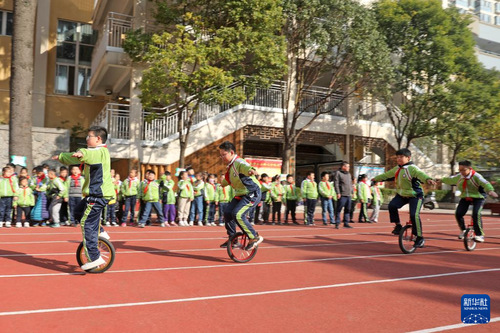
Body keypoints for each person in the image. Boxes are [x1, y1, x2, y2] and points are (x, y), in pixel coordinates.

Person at [53, 126, 115, 270]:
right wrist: (61, 157)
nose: (87, 139)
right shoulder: (93, 152)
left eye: (89, 137)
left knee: (87, 224)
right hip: (93, 194)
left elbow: (87, 154)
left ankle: (94, 257)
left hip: (98, 195)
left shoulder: (101, 151)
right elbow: (76, 157)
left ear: (98, 139)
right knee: (78, 212)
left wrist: (81, 152)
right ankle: (100, 231)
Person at [373, 148, 436, 248]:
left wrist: (428, 179)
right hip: (402, 195)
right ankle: (398, 226)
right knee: (392, 206)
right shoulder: (397, 168)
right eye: (397, 157)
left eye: (401, 157)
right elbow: (386, 175)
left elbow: (421, 174)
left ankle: (419, 237)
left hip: (415, 196)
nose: (399, 159)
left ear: (408, 158)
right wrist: (375, 179)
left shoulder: (412, 168)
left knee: (413, 215)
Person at [218, 141, 263, 250]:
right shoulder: (230, 167)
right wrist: (220, 183)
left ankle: (254, 237)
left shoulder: (239, 162)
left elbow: (246, 167)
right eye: (221, 155)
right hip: (241, 195)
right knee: (228, 212)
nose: (222, 157)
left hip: (252, 193)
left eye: (224, 155)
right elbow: (227, 181)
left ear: (231, 152)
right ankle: (233, 239)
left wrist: (251, 171)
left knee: (237, 214)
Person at [439, 160, 498, 242]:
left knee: (476, 214)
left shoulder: (476, 176)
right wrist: (440, 180)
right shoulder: (459, 176)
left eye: (464, 170)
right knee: (458, 213)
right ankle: (463, 230)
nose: (461, 172)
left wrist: (490, 191)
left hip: (478, 197)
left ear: (470, 169)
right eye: (460, 170)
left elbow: (485, 183)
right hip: (465, 197)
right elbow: (449, 179)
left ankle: (479, 235)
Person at [334, 162, 353, 229]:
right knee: (339, 209)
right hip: (342, 194)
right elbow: (336, 183)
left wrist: (352, 192)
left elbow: (350, 184)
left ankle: (346, 223)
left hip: (348, 195)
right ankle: (337, 223)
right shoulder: (338, 173)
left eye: (349, 166)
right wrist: (338, 193)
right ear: (343, 167)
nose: (348, 168)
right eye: (347, 166)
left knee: (348, 209)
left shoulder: (349, 174)